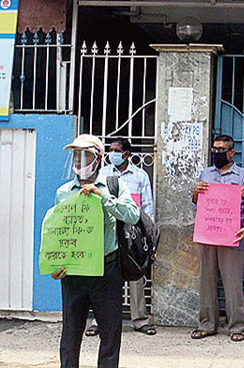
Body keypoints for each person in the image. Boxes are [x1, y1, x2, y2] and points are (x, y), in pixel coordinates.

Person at [50, 134, 140, 368]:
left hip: (106, 269)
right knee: (70, 333)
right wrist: (55, 265)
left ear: (99, 158)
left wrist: (104, 198)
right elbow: (59, 232)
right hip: (74, 272)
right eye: (76, 155)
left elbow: (133, 215)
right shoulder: (63, 192)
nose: (80, 161)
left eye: (86, 155)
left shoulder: (114, 185)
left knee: (110, 334)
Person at [85, 137, 157, 337]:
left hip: (131, 232)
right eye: (110, 150)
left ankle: (140, 320)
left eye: (116, 150)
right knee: (103, 277)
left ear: (126, 154)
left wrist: (145, 233)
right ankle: (99, 321)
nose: (112, 154)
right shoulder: (102, 173)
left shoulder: (140, 176)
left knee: (136, 275)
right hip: (106, 230)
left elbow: (146, 207)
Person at [190, 134, 244, 342]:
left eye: (221, 150)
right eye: (214, 149)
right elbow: (198, 204)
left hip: (232, 234)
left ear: (232, 152)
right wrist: (195, 193)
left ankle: (236, 326)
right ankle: (207, 324)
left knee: (233, 282)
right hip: (207, 234)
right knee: (206, 280)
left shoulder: (243, 176)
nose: (217, 153)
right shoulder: (205, 173)